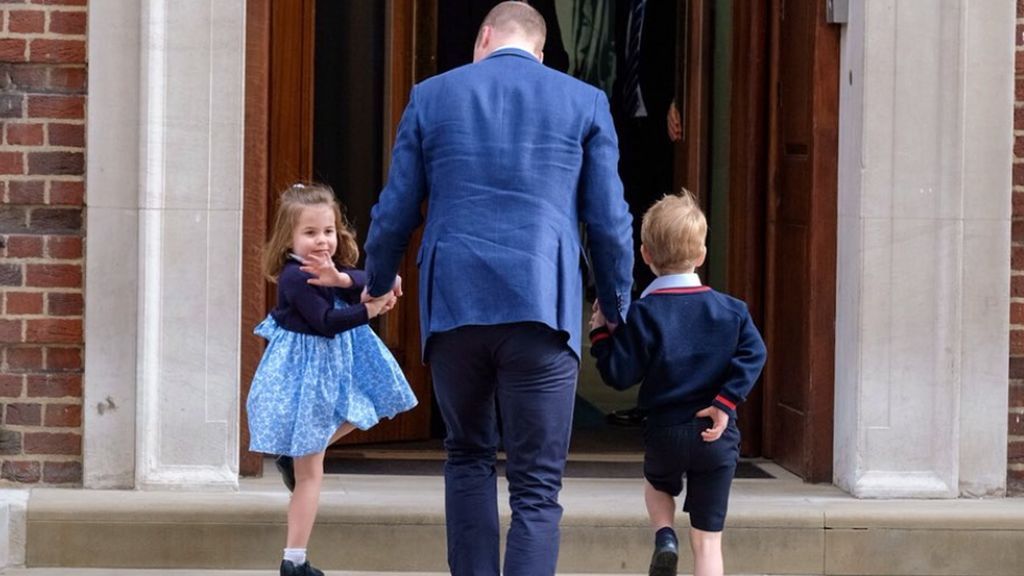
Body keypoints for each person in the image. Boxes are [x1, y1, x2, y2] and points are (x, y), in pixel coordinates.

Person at [361, 2, 634, 574]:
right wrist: (615, 307)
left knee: (466, 458)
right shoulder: (584, 101)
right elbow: (610, 222)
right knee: (537, 483)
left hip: (455, 305)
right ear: (539, 51)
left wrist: (377, 283)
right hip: (542, 306)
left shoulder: (431, 95)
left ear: (483, 37)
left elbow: (394, 211)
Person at [589, 191, 766, 576]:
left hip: (665, 432)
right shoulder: (731, 311)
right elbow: (755, 354)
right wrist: (724, 402)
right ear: (701, 255)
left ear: (645, 255)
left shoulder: (643, 315)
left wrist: (601, 336)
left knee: (658, 485)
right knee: (707, 541)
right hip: (715, 436)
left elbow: (619, 374)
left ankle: (664, 535)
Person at [246, 183, 418, 576]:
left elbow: (356, 277)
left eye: (327, 231)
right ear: (288, 238)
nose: (321, 241)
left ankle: (296, 461)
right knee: (311, 476)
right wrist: (371, 310)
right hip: (307, 378)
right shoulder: (294, 277)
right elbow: (326, 324)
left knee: (370, 405)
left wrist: (347, 281)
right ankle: (294, 561)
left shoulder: (325, 268)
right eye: (309, 233)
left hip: (330, 372)